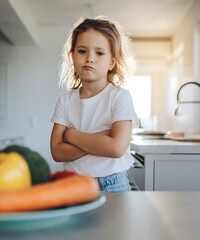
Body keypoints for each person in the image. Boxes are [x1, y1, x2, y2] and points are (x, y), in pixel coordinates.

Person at [50, 16, 139, 192]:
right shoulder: (65, 101)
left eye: (99, 53)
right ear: (72, 57)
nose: (90, 58)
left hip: (114, 183)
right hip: (74, 184)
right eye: (82, 51)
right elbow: (57, 152)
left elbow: (115, 149)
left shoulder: (120, 97)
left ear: (112, 62)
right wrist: (102, 139)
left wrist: (72, 136)